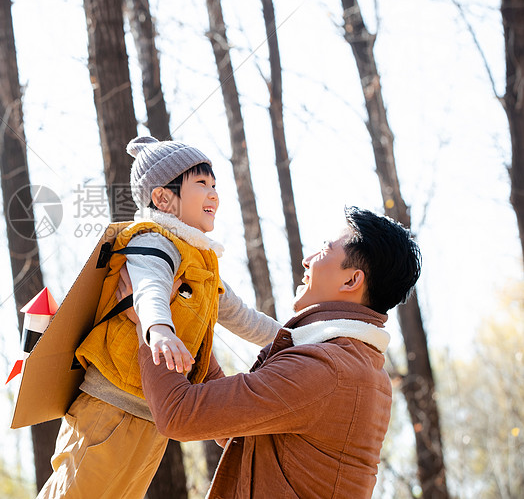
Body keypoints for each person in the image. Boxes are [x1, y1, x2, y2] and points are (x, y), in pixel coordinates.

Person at [36, 136, 281, 499]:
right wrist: (159, 329)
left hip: (150, 420)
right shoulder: (154, 241)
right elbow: (150, 287)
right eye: (201, 184)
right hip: (109, 407)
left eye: (215, 185)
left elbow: (244, 317)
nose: (213, 193)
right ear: (163, 198)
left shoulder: (200, 261)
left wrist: (299, 338)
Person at [129, 205, 422, 499]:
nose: (307, 261)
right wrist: (186, 326)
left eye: (323, 251)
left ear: (351, 281)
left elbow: (179, 414)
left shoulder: (326, 369)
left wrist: (151, 323)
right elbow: (233, 428)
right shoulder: (356, 363)